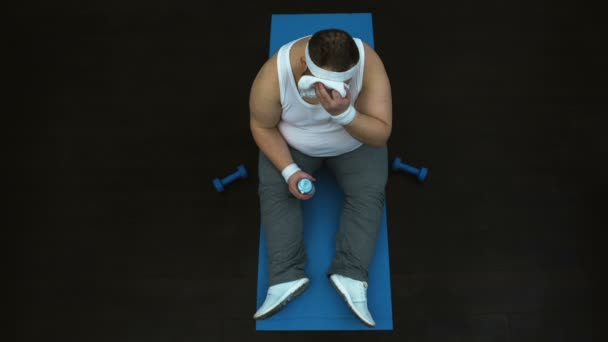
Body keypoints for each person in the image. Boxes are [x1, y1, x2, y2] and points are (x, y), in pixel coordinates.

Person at [249, 28, 392, 328]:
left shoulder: (370, 64)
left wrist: (344, 115)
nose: (330, 92)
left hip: (355, 140)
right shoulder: (273, 75)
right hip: (295, 145)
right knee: (274, 187)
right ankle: (285, 276)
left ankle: (351, 274)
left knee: (369, 192)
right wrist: (289, 170)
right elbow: (261, 126)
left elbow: (381, 133)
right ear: (304, 62)